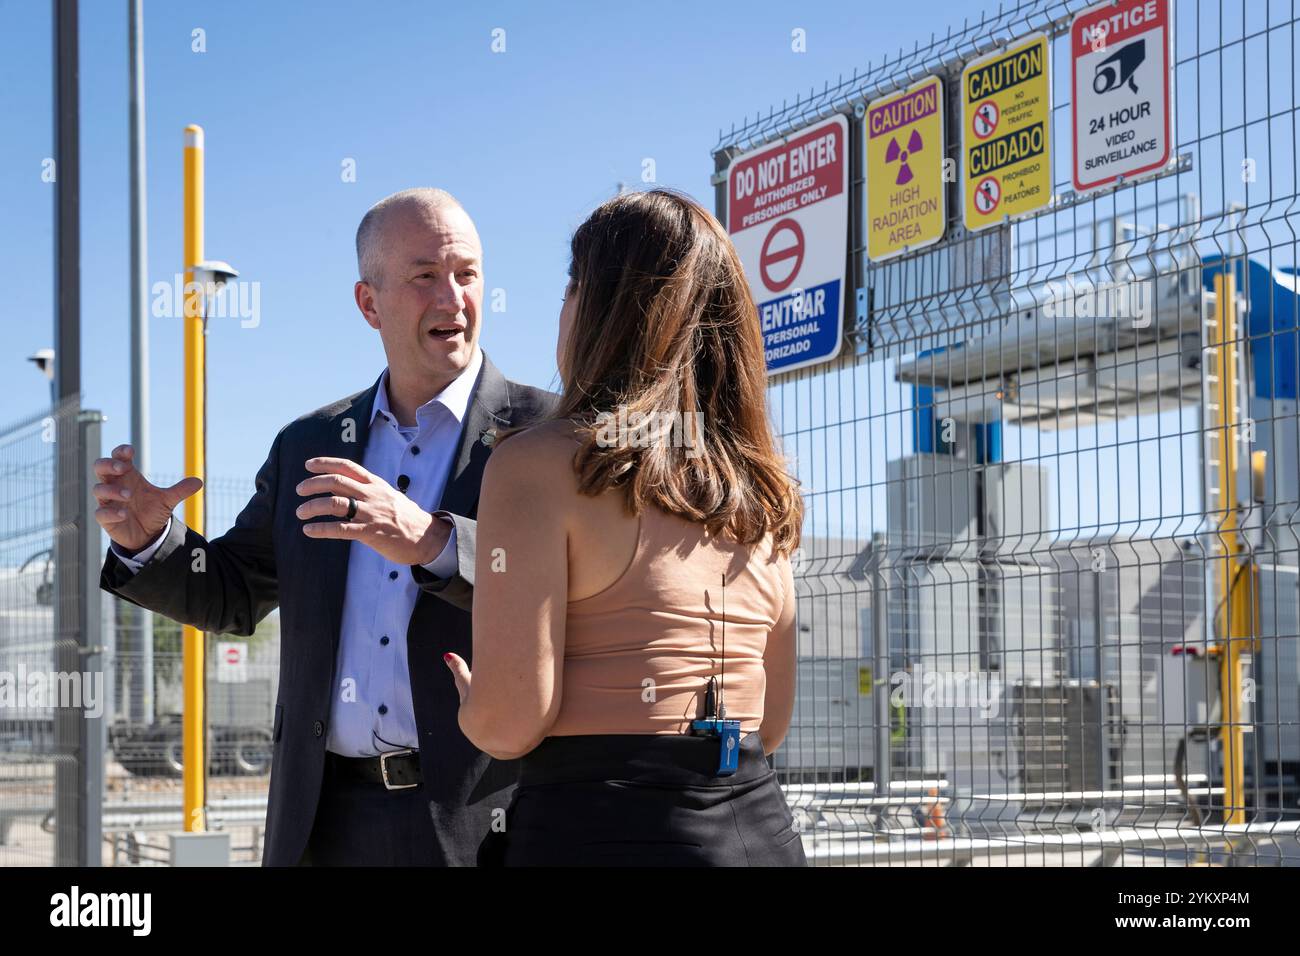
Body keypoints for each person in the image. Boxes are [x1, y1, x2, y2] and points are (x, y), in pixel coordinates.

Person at [96, 188, 558, 866]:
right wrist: (150, 542)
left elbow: (577, 588)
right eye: (424, 276)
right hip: (325, 823)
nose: (452, 298)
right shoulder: (309, 446)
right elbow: (233, 593)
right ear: (369, 303)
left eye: (467, 273)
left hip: (484, 824)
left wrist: (434, 542)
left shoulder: (549, 435)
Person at [443, 188, 807, 866]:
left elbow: (512, 722)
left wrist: (475, 703)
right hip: (757, 831)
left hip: (600, 831)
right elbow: (771, 721)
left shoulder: (538, 466)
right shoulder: (761, 492)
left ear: (602, 311)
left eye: (571, 287)